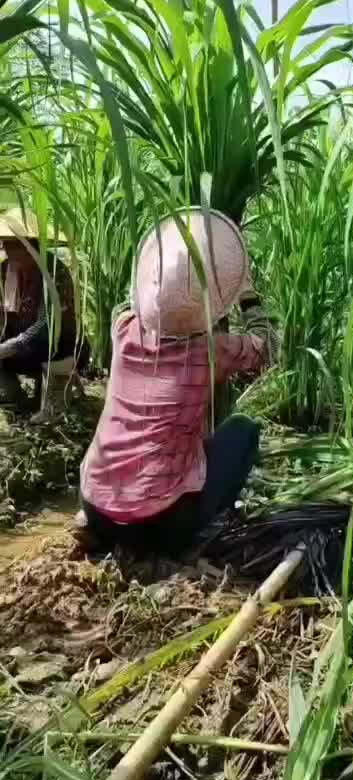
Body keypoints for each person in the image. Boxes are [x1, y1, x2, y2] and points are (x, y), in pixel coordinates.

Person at [78, 208, 275, 553]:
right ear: (211, 298)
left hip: (96, 509)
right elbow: (268, 345)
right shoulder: (214, 349)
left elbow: (137, 298)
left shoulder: (123, 329)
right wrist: (246, 294)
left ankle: (101, 531)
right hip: (163, 524)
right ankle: (200, 530)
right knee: (243, 429)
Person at [0, 207, 86, 409]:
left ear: (32, 246)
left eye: (14, 245)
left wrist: (8, 347)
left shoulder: (53, 272)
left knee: (46, 346)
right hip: (22, 340)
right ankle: (11, 393)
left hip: (57, 345)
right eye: (6, 244)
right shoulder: (5, 269)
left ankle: (53, 394)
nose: (7, 250)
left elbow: (47, 325)